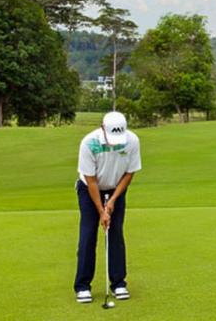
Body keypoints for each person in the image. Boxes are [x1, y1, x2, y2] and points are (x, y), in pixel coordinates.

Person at [73, 111, 141, 303]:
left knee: (116, 234)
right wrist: (101, 210)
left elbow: (129, 173)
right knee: (88, 235)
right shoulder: (89, 143)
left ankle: (119, 283)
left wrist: (112, 201)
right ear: (102, 128)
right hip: (89, 190)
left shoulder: (132, 141)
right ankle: (83, 286)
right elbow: (91, 181)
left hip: (116, 188)